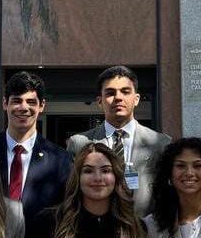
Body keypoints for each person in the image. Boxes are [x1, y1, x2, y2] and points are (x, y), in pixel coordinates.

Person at [26, 142, 151, 238]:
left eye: (105, 171)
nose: (98, 178)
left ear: (116, 176)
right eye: (88, 171)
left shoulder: (134, 227)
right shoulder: (48, 222)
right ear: (77, 177)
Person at [67, 65, 171, 216]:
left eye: (125, 91)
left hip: (144, 233)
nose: (118, 98)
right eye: (110, 93)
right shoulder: (79, 143)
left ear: (136, 99)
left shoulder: (161, 144)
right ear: (99, 101)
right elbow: (72, 194)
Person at [0, 71, 72, 226]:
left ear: (42, 106)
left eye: (31, 102)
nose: (24, 107)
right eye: (17, 101)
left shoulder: (60, 160)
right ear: (5, 103)